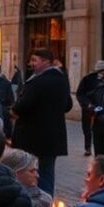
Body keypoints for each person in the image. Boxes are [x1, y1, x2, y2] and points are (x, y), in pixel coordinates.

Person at [12, 49, 73, 195]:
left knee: (27, 169)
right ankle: (47, 202)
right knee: (47, 171)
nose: (31, 64)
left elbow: (23, 105)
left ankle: (31, 202)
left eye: (34, 60)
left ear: (46, 62)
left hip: (32, 134)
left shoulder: (37, 81)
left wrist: (14, 110)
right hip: (53, 135)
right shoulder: (62, 80)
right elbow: (68, 105)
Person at [75, 61, 104, 156]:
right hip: (89, 108)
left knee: (100, 128)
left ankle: (100, 148)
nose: (102, 73)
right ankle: (87, 147)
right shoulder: (87, 79)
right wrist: (87, 104)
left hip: (101, 108)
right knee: (87, 128)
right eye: (100, 70)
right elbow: (80, 93)